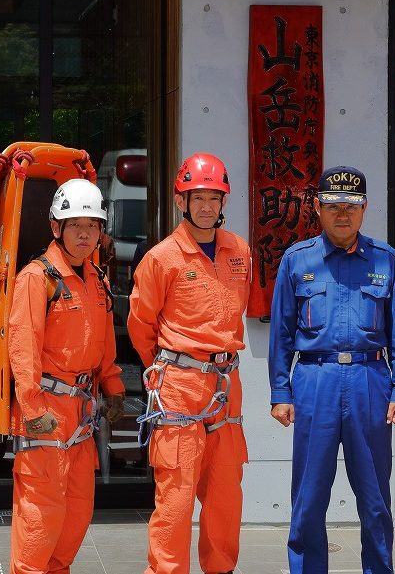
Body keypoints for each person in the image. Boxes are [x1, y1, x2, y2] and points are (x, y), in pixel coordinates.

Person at [269, 166, 395, 574]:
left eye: (351, 206)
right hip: (314, 381)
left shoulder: (385, 259)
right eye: (334, 206)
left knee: (375, 497)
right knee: (309, 496)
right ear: (317, 208)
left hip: (370, 381)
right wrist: (280, 392)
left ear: (365, 208)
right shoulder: (297, 260)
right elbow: (281, 331)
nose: (343, 214)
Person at [128, 153, 251, 574]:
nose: (205, 206)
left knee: (225, 494)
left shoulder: (239, 251)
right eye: (197, 197)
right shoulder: (162, 258)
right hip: (179, 383)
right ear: (181, 200)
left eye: (213, 198)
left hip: (226, 385)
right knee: (176, 498)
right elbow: (141, 324)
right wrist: (169, 367)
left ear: (223, 202)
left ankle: (221, 569)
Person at [7, 179, 127, 573]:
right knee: (41, 517)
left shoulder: (98, 280)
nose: (84, 234)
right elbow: (23, 347)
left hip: (82, 414)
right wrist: (32, 408)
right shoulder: (37, 278)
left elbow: (105, 345)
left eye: (92, 226)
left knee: (76, 513)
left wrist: (113, 387)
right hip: (46, 410)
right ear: (56, 227)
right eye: (75, 224)